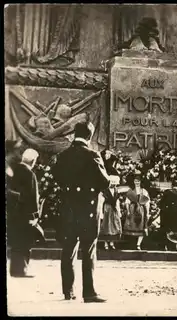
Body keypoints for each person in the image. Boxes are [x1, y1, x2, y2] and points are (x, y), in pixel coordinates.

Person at [52, 122, 115, 303]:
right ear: (89, 136)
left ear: (75, 134)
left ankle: (68, 291)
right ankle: (89, 292)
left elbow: (56, 177)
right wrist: (110, 180)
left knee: (68, 249)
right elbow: (103, 182)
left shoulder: (63, 155)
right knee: (88, 249)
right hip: (88, 209)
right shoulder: (93, 155)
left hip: (69, 208)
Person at [8, 148, 40, 278]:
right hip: (26, 214)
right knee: (25, 243)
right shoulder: (29, 174)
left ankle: (14, 270)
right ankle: (22, 270)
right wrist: (35, 215)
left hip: (14, 213)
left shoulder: (14, 171)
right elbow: (33, 197)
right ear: (32, 161)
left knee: (16, 242)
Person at [159, 180, 177, 262]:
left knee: (166, 230)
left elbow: (161, 204)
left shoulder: (167, 192)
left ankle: (164, 249)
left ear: (172, 186)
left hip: (169, 213)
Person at [122, 172, 150, 250]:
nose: (137, 182)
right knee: (132, 226)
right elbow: (127, 202)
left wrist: (147, 212)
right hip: (132, 209)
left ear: (140, 182)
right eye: (135, 181)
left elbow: (147, 202)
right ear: (133, 182)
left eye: (138, 181)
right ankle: (132, 244)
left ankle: (138, 244)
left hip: (141, 210)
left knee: (141, 226)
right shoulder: (130, 191)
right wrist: (128, 211)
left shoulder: (144, 191)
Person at [98, 185, 122, 250]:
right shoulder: (104, 191)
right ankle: (105, 243)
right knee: (106, 226)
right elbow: (101, 203)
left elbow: (117, 202)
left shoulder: (116, 191)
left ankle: (112, 242)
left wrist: (119, 212)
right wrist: (101, 213)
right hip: (107, 209)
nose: (113, 184)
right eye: (111, 182)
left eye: (114, 182)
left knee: (114, 226)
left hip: (114, 210)